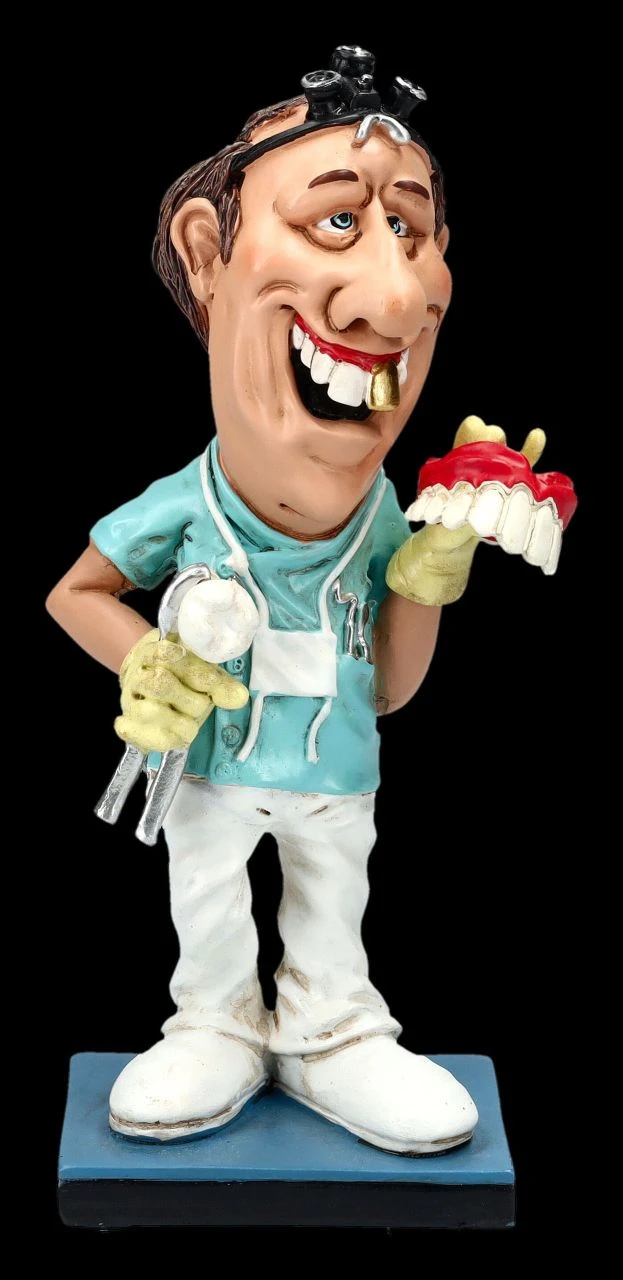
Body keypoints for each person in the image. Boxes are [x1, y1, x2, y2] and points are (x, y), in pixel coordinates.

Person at [46, 47, 572, 1154]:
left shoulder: (382, 520)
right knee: (207, 891)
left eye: (410, 232)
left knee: (331, 895)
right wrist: (144, 658)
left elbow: (388, 692)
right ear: (207, 255)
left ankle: (330, 1028)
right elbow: (79, 591)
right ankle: (215, 1021)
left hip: (335, 769)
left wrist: (423, 582)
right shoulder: (183, 504)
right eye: (336, 220)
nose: (396, 298)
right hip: (211, 766)